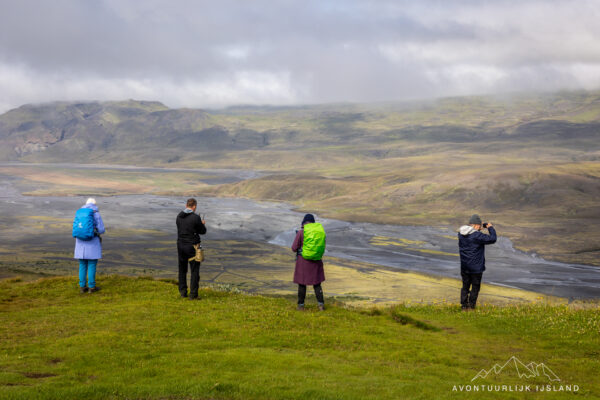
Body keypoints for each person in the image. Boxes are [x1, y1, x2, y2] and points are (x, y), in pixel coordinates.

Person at [458, 214, 496, 311]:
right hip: (476, 267)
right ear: (475, 225)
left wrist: (478, 229)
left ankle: (463, 306)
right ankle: (471, 306)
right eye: (479, 225)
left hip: (465, 266)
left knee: (465, 286)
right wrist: (490, 227)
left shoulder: (461, 234)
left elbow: (471, 233)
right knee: (475, 287)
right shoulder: (477, 235)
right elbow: (492, 239)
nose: (480, 227)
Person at [291, 213, 326, 311]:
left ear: (304, 222)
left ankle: (301, 306)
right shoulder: (319, 232)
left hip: (303, 262)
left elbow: (294, 248)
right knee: (317, 284)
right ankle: (321, 305)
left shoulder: (301, 232)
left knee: (302, 284)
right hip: (316, 261)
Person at [176, 198, 206, 299]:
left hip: (180, 246)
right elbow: (202, 231)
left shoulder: (179, 216)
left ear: (186, 205)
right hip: (192, 246)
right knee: (194, 270)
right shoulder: (195, 217)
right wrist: (202, 224)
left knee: (182, 270)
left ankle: (183, 293)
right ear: (194, 206)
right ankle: (193, 295)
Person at [73, 198, 105, 293]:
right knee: (92, 264)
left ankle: (82, 287)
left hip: (80, 242)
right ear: (95, 203)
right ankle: (91, 287)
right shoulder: (95, 212)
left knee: (82, 264)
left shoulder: (79, 212)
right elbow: (101, 229)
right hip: (92, 242)